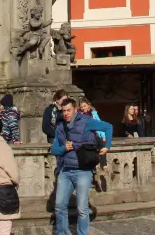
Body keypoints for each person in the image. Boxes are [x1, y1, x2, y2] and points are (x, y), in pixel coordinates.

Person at [50, 98, 113, 235]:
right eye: (63, 111)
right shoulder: (60, 126)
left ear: (75, 110)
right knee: (60, 206)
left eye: (68, 110)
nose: (66, 113)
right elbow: (53, 150)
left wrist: (107, 146)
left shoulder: (86, 121)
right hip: (65, 171)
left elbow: (108, 127)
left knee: (82, 208)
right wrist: (63, 148)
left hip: (83, 171)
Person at [78, 97, 108, 173]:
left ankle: (103, 164)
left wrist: (103, 135)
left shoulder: (93, 114)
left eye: (84, 106)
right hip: (86, 135)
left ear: (88, 105)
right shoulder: (79, 114)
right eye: (81, 107)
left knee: (102, 144)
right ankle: (93, 165)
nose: (83, 108)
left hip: (94, 134)